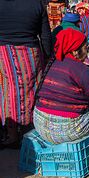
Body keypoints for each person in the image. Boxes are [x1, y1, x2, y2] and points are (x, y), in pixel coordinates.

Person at [33, 29, 89, 144]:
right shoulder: (80, 69)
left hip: (40, 124)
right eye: (85, 47)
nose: (87, 50)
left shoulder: (51, 63)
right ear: (75, 51)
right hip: (67, 130)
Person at [0, 0, 52, 148]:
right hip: (29, 53)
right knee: (30, 91)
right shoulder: (36, 4)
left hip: (3, 53)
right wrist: (48, 56)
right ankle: (27, 130)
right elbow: (45, 36)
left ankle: (11, 132)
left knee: (7, 90)